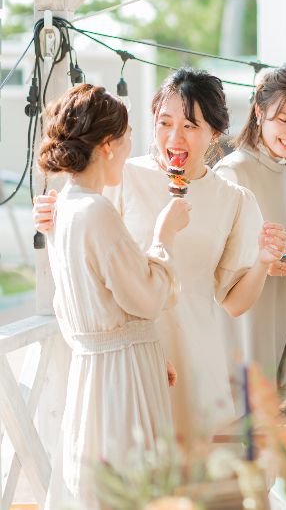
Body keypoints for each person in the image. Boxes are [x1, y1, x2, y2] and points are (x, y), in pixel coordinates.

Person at [35, 68, 286, 445]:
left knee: (200, 486)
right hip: (129, 360)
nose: (174, 137)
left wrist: (264, 263)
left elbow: (234, 302)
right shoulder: (121, 176)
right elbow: (88, 244)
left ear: (214, 133)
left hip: (199, 362)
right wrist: (54, 214)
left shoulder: (234, 200)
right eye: (164, 122)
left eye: (190, 126)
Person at [37, 84, 188, 504]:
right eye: (126, 140)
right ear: (107, 145)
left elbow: (95, 303)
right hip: (122, 377)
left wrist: (145, 348)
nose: (129, 148)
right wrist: (164, 236)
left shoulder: (65, 209)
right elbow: (145, 295)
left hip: (98, 372)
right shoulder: (96, 211)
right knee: (131, 485)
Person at [214, 64, 286, 392]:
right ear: (259, 112)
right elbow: (212, 264)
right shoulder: (231, 173)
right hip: (246, 323)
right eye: (285, 120)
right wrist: (260, 263)